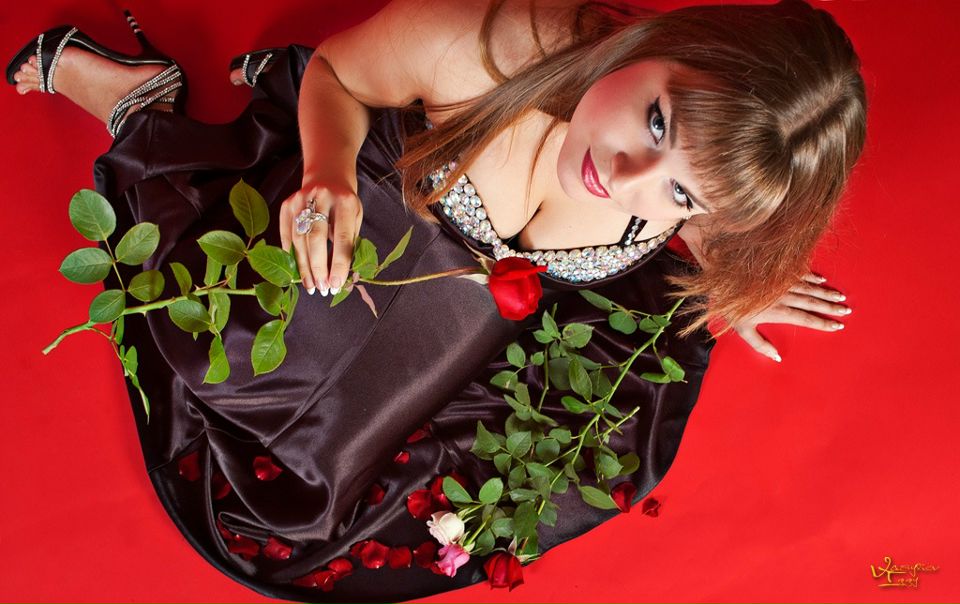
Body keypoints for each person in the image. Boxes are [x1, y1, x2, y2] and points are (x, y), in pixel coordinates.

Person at [6, 0, 865, 601]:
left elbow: (706, 199)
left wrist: (733, 280)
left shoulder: (686, 190)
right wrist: (328, 173)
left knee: (350, 481)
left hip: (453, 335)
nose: (624, 175)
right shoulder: (485, 42)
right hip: (356, 232)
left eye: (680, 192)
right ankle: (141, 106)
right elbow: (338, 73)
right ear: (662, 43)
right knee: (212, 356)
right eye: (656, 122)